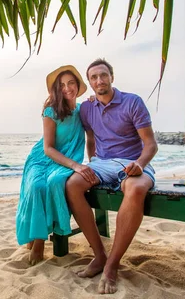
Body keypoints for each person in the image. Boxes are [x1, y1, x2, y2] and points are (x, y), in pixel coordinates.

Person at [66, 58, 158, 294]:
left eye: (103, 75)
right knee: (73, 184)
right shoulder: (86, 108)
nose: (99, 80)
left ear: (112, 77)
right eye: (94, 77)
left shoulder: (132, 102)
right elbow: (90, 139)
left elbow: (150, 145)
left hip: (132, 162)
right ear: (90, 82)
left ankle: (112, 265)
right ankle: (99, 256)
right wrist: (91, 163)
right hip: (102, 164)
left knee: (136, 189)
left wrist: (139, 164)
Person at [15, 65, 99, 265]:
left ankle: (39, 236)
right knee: (37, 186)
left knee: (55, 182)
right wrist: (76, 166)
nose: (67, 88)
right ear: (56, 89)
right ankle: (39, 240)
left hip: (66, 160)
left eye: (71, 83)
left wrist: (93, 161)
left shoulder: (83, 110)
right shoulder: (51, 111)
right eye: (62, 85)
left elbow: (91, 139)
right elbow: (48, 149)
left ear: (78, 85)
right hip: (43, 158)